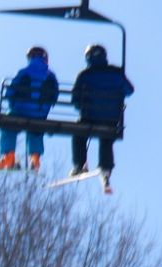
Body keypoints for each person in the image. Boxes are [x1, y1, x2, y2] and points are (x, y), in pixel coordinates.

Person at [69, 43, 133, 193]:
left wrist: (82, 107)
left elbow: (75, 100)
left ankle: (80, 164)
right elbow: (129, 90)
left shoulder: (85, 75)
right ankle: (106, 167)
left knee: (79, 134)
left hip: (90, 117)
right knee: (106, 139)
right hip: (111, 118)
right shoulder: (116, 73)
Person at [0, 46, 58, 172]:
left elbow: (10, 91)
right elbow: (54, 95)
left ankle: (9, 157)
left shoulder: (24, 72)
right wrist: (43, 109)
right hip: (39, 113)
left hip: (20, 110)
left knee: (8, 126)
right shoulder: (51, 76)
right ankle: (35, 158)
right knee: (36, 129)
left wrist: (13, 105)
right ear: (45, 60)